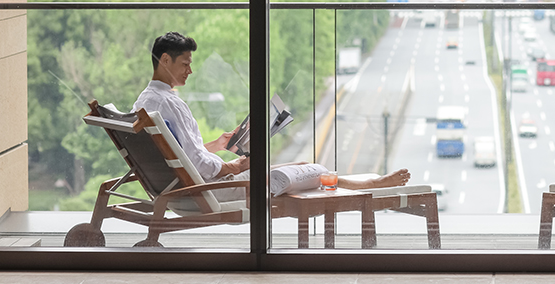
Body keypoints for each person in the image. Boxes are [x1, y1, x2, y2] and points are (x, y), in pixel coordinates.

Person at [133, 31, 411, 200]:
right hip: (206, 190)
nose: (189, 71)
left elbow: (177, 155)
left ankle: (361, 184)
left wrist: (218, 146)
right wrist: (239, 166)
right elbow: (197, 164)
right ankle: (368, 184)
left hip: (188, 183)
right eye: (185, 64)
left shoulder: (146, 101)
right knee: (304, 171)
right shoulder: (170, 104)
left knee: (300, 165)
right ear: (165, 60)